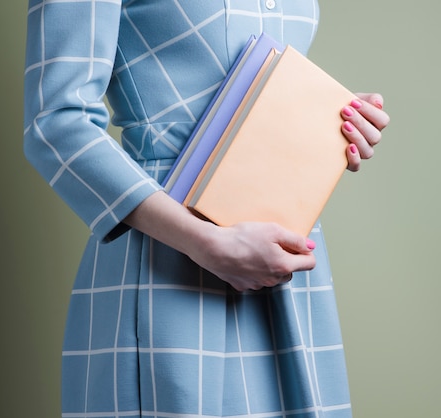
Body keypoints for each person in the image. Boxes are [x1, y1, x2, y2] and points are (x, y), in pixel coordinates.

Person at [23, 1, 389, 417]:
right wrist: (206, 241)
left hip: (282, 254)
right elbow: (55, 122)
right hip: (172, 251)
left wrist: (332, 119)